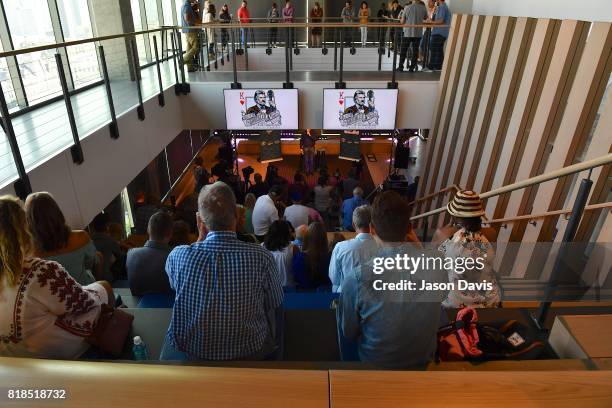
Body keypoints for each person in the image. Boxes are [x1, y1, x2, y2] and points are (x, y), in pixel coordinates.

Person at [161, 182, 283, 361]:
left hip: (191, 349)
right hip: (249, 350)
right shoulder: (262, 257)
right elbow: (275, 303)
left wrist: (200, 240)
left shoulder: (178, 255)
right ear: (236, 215)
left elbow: (176, 286)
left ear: (199, 221)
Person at [338, 191, 447, 368]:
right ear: (409, 228)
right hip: (423, 364)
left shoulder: (356, 277)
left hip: (376, 366)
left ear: (372, 228)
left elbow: (348, 331)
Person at [0, 195, 113, 359]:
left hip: (14, 357)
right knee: (105, 287)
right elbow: (85, 304)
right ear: (24, 230)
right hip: (50, 353)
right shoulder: (41, 271)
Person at [435, 190, 501, 308]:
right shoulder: (491, 234)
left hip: (455, 305)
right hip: (490, 303)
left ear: (454, 216)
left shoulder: (443, 234)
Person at [25, 192, 101, 285]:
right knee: (99, 256)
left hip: (55, 296)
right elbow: (92, 262)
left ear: (29, 220)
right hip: (84, 289)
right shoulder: (80, 237)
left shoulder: (29, 253)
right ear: (56, 212)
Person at [329, 205, 378, 292]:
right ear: (373, 224)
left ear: (353, 225)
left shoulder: (340, 247)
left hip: (346, 298)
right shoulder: (384, 248)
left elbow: (334, 278)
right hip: (375, 301)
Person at [126, 211, 174, 297]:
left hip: (135, 307)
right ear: (170, 234)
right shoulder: (175, 257)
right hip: (167, 308)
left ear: (148, 230)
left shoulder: (131, 254)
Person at [292, 222, 331, 290]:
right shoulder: (330, 257)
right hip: (325, 295)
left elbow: (297, 278)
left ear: (307, 237)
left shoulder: (299, 258)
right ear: (324, 238)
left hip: (304, 297)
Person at [263, 220, 298, 287]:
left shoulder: (262, 247)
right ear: (286, 234)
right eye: (289, 231)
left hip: (269, 288)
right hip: (289, 288)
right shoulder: (293, 248)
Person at [89, 212, 122, 282]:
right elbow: (119, 255)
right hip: (108, 277)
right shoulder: (110, 241)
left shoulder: (89, 241)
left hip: (92, 279)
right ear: (108, 225)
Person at [398, 0, 428, 71]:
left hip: (408, 32)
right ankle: (412, 67)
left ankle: (400, 67)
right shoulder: (423, 8)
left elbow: (402, 21)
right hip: (418, 33)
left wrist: (401, 20)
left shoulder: (407, 7)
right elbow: (425, 18)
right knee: (415, 50)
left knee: (403, 50)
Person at [427, 0, 451, 70]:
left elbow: (441, 20)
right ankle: (439, 67)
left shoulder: (442, 7)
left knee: (433, 48)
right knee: (439, 50)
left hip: (439, 32)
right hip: (442, 32)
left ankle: (430, 67)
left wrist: (431, 22)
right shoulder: (443, 7)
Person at [181, 0, 201, 72]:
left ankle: (190, 68)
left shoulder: (186, 4)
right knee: (196, 48)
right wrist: (196, 22)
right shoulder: (186, 5)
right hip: (190, 30)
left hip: (187, 30)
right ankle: (183, 60)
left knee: (189, 49)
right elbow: (187, 18)